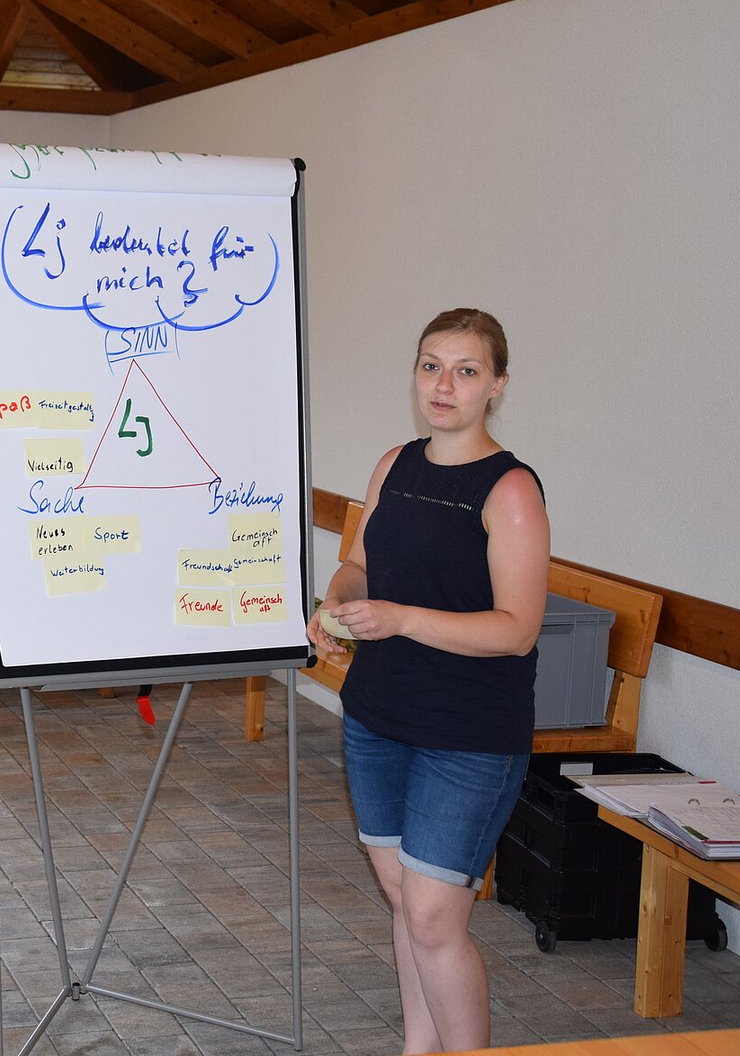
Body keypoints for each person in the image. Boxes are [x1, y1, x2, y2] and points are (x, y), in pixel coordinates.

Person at [306, 308, 550, 1053]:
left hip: (468, 734)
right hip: (377, 717)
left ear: (497, 386)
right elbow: (359, 562)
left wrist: (403, 619)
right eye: (430, 366)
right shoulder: (395, 464)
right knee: (404, 900)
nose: (444, 385)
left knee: (436, 918)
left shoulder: (510, 490)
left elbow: (517, 628)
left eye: (466, 371)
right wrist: (336, 601)